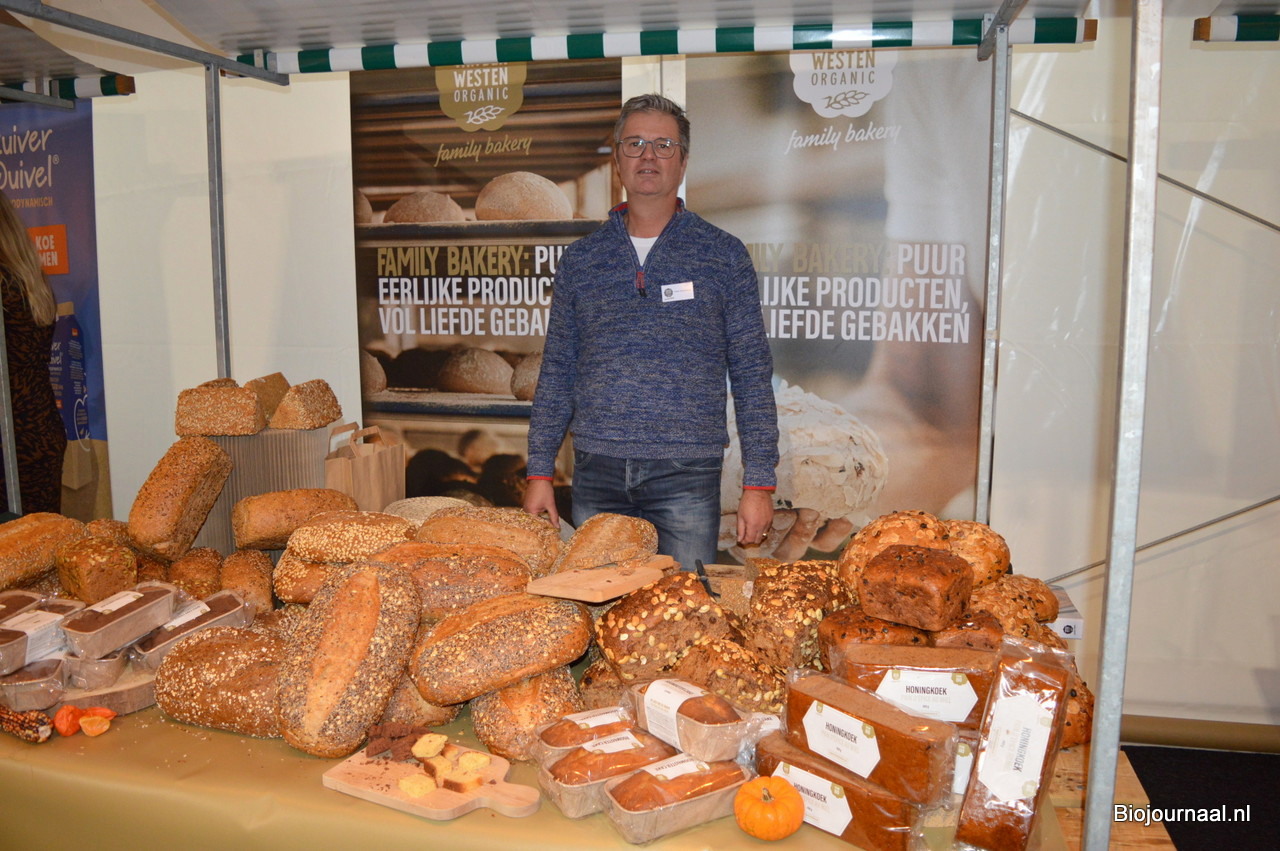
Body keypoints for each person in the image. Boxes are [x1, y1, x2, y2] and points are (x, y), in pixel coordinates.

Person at [523, 94, 779, 570]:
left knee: (684, 606)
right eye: (635, 143)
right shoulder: (582, 260)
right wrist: (539, 471)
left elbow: (751, 373)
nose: (648, 156)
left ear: (683, 161)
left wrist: (759, 483)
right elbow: (557, 370)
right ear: (617, 159)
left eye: (664, 145)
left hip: (686, 475)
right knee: (598, 607)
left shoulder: (723, 255)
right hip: (596, 470)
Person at [0, 189, 65, 515]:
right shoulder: (28, 279)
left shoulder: (4, 284)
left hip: (11, 444)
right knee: (38, 538)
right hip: (39, 429)